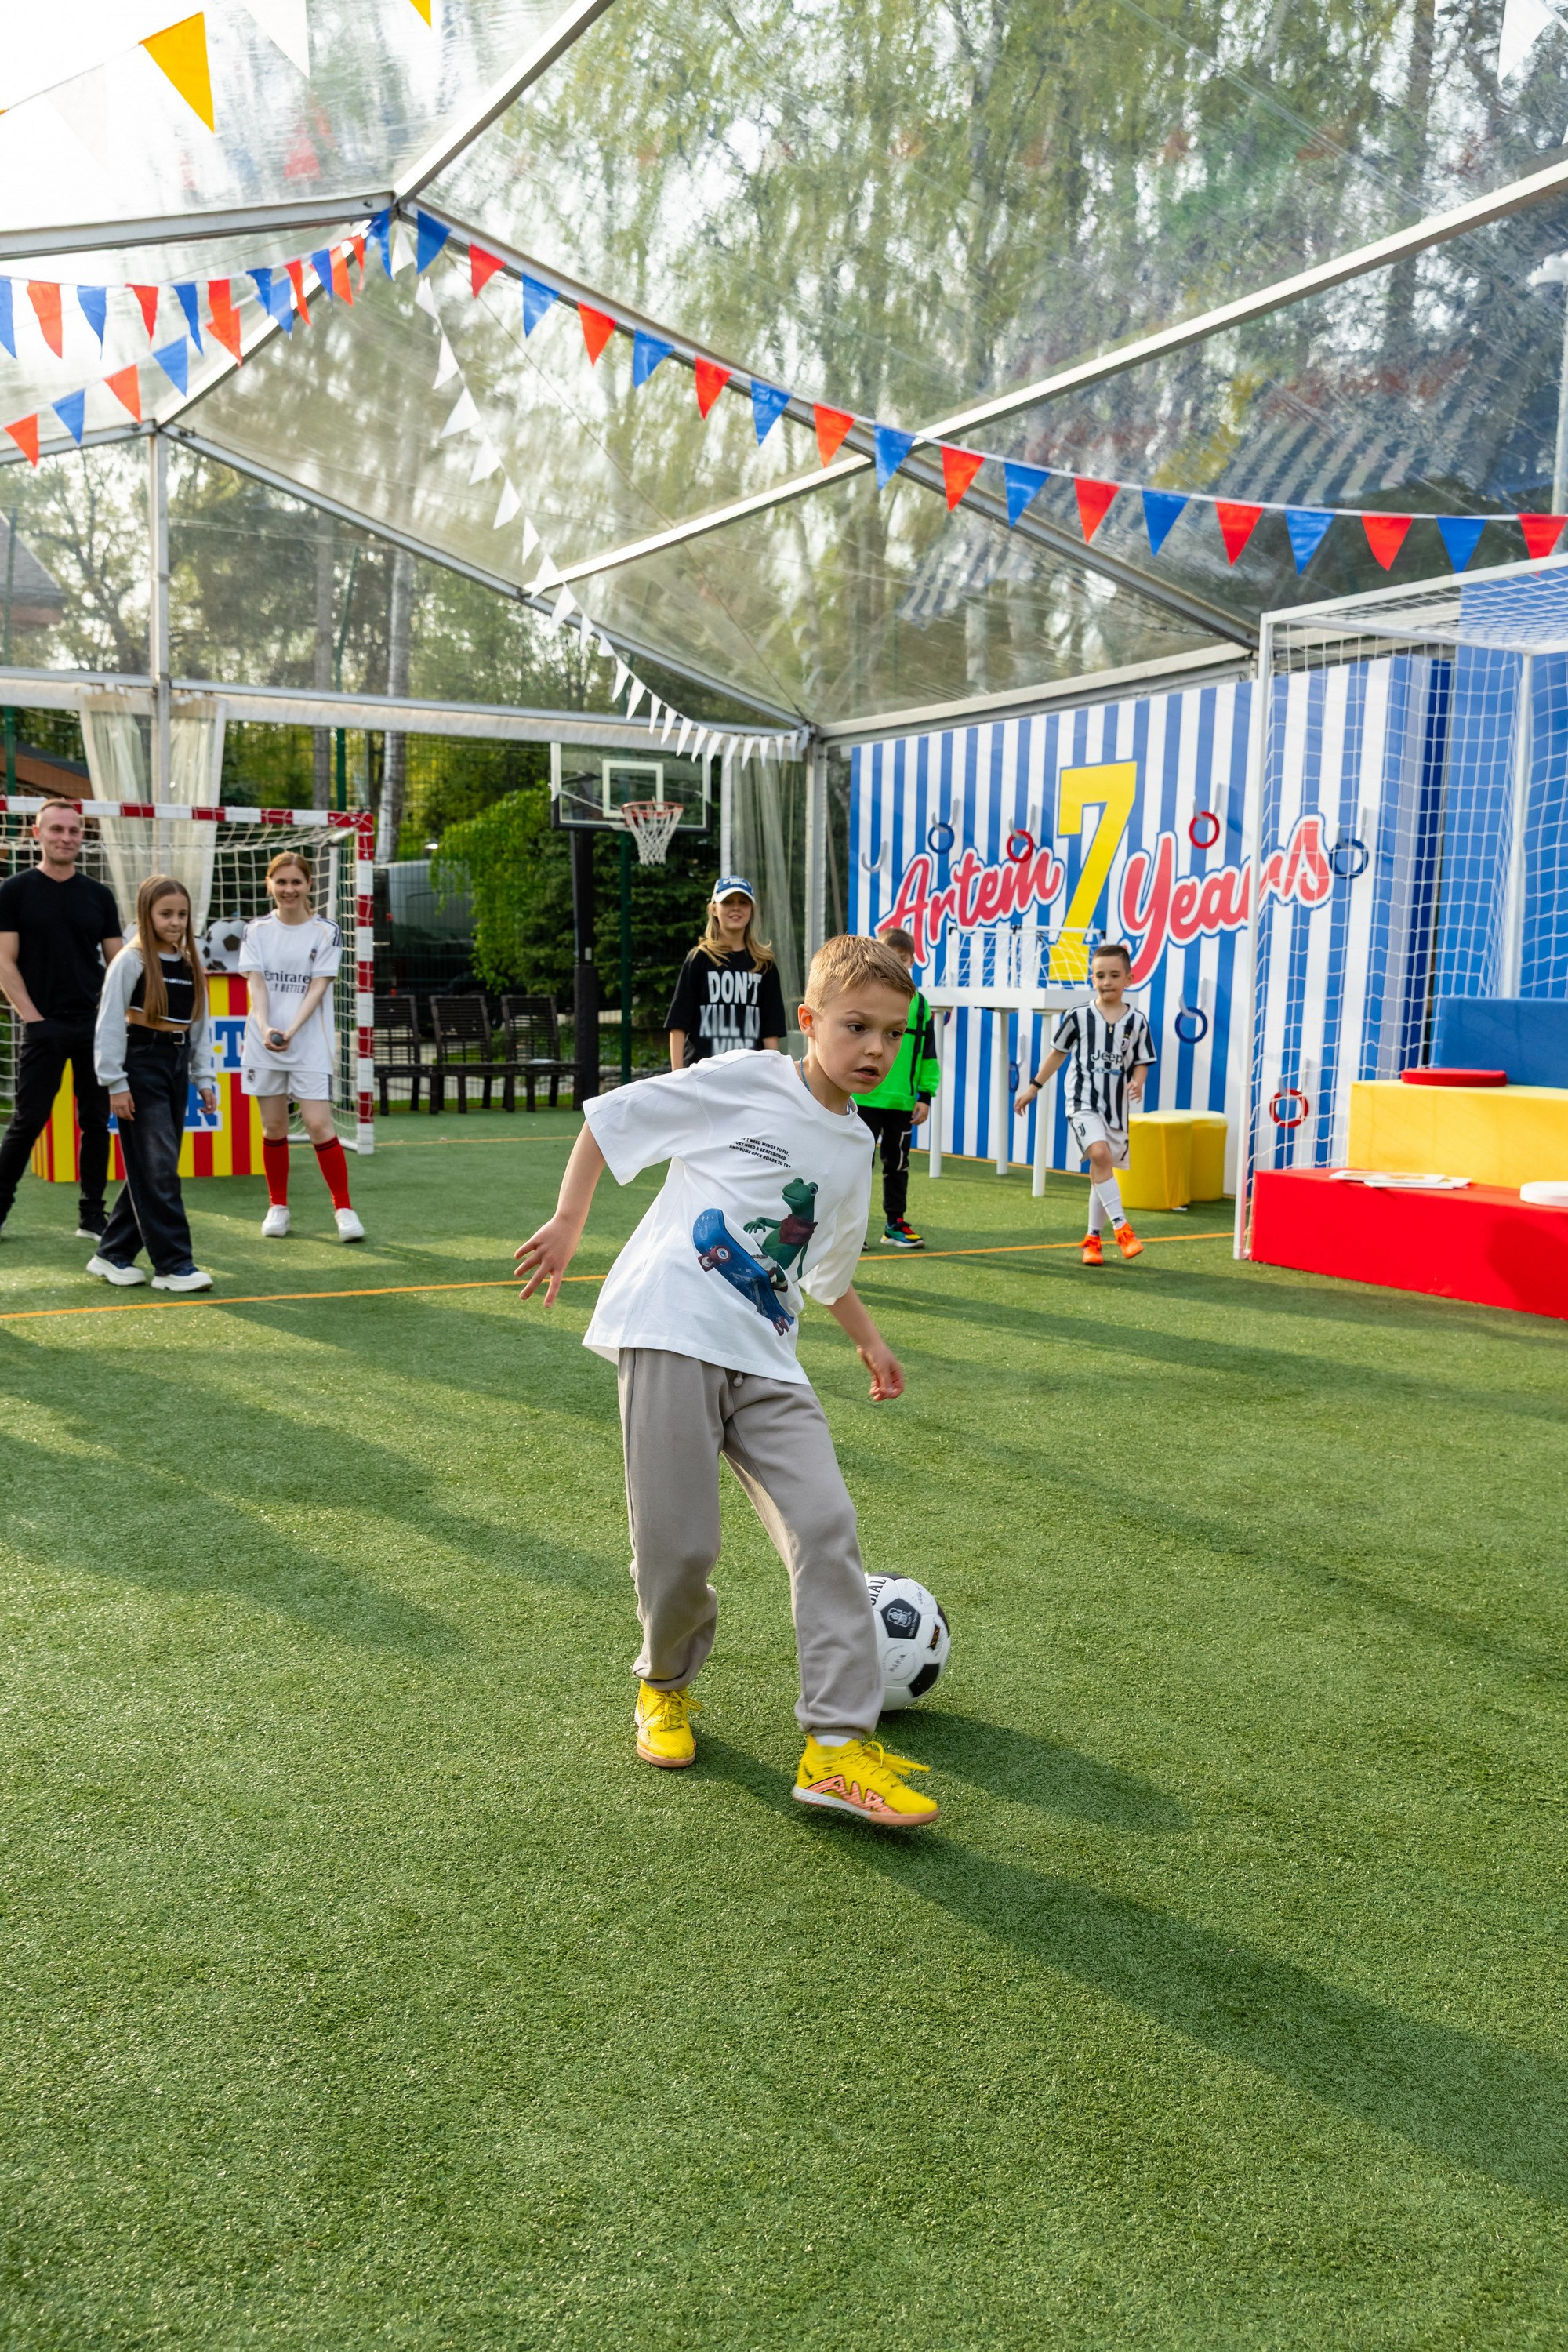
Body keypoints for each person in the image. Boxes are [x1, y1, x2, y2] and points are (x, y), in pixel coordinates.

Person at [517, 932, 940, 1831]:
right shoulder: (747, 1078)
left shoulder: (853, 1146)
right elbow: (611, 1120)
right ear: (809, 1021)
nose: (874, 1048)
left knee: (825, 1524)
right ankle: (663, 1685)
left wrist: (869, 1342)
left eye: (890, 1034)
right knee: (679, 1551)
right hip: (669, 1326)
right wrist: (567, 1221)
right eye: (855, 1026)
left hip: (766, 1355)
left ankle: (836, 1748)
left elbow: (823, 1270)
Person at [0, 800, 122, 1242]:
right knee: (27, 1122)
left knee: (96, 1122)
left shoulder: (99, 895)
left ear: (81, 836)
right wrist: (34, 1020)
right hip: (42, 1026)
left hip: (93, 1026)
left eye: (73, 831)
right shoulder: (14, 891)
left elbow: (118, 963)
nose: (66, 838)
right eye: (57, 830)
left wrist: (113, 1016)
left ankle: (92, 1216)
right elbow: (4, 962)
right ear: (37, 834)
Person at [89, 875, 216, 1293]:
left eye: (182, 914)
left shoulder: (191, 964)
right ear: (147, 914)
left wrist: (204, 1079)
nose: (175, 922)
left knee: (153, 1166)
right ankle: (174, 1265)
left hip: (176, 1065)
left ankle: (112, 1253)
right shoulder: (131, 960)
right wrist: (115, 1082)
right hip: (140, 1064)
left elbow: (200, 1027)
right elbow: (109, 1022)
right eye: (166, 914)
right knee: (159, 1168)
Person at [238, 851, 364, 1243]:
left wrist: (290, 1030)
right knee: (274, 1127)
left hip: (308, 1043)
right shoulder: (256, 931)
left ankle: (344, 1210)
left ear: (309, 884)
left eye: (296, 882)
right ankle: (278, 1207)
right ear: (269, 884)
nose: (289, 889)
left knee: (318, 1125)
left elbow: (318, 987)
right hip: (264, 1042)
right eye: (281, 882)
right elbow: (256, 983)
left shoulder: (326, 932)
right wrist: (265, 1027)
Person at [1014, 941, 1155, 1267]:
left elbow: (1142, 1061)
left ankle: (1092, 1240)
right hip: (1081, 1101)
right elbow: (1057, 1054)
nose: (1107, 982)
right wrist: (1034, 1087)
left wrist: (1138, 1081)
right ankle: (1122, 1228)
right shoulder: (1078, 1016)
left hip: (1116, 1109)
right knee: (1099, 1155)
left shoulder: (1137, 1021)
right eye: (1100, 975)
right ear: (1092, 978)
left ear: (1129, 978)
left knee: (1102, 1169)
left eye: (1114, 975)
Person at [855, 924, 942, 1249]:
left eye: (903, 959)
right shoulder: (863, 995)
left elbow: (928, 1053)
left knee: (899, 1166)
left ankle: (894, 1224)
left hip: (902, 1103)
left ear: (912, 961)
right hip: (863, 1098)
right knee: (856, 1167)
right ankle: (852, 1230)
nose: (898, 964)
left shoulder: (921, 1005)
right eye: (890, 957)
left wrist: (925, 1095)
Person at [665, 874, 787, 1067]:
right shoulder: (699, 958)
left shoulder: (764, 964)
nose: (736, 907)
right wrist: (676, 1076)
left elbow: (770, 1030)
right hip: (701, 1073)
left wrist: (774, 1073)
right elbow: (678, 1025)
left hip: (748, 1073)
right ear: (713, 909)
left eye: (743, 902)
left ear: (753, 909)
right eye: (728, 902)